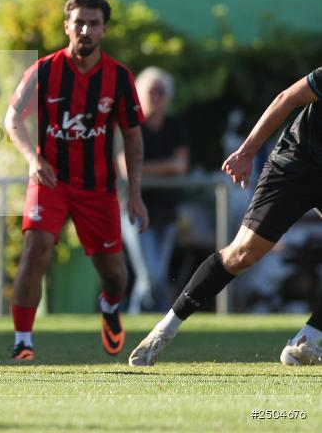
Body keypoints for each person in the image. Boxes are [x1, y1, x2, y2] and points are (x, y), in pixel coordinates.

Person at [130, 67, 322, 367]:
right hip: (295, 165)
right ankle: (163, 331)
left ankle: (305, 341)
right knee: (243, 254)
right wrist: (246, 152)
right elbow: (287, 98)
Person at [5, 0, 148, 362]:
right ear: (66, 26)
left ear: (104, 30)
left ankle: (110, 305)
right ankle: (23, 340)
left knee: (114, 273)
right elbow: (12, 120)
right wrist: (32, 158)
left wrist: (134, 194)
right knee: (35, 250)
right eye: (79, 22)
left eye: (93, 23)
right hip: (50, 180)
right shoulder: (44, 71)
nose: (85, 29)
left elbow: (132, 136)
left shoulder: (118, 78)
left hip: (97, 188)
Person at [120, 67, 189, 312]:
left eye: (161, 92)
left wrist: (145, 167)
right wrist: (164, 167)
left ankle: (146, 322)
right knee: (149, 274)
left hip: (166, 212)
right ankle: (147, 319)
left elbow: (181, 165)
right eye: (151, 91)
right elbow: (125, 166)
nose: (156, 97)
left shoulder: (173, 125)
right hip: (135, 211)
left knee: (156, 276)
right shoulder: (131, 125)